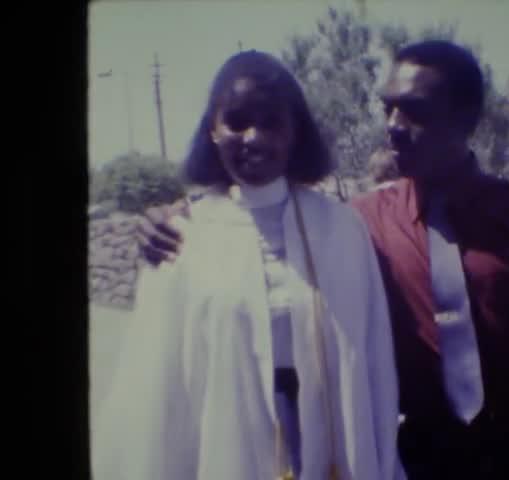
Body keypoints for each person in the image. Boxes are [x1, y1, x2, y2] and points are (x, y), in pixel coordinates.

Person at [138, 41, 509, 479]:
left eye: (414, 110)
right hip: (419, 463)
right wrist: (173, 219)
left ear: (466, 117)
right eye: (388, 108)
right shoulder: (354, 227)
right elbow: (257, 228)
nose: (393, 125)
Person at [93, 50, 404, 480]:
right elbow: (156, 388)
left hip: (327, 441)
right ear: (212, 130)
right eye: (236, 121)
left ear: (295, 131)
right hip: (228, 443)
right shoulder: (183, 235)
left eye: (271, 122)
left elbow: (372, 361)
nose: (253, 137)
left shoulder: (341, 228)